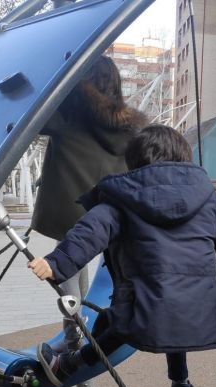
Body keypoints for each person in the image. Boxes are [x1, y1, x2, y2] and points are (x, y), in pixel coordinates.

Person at [29, 125, 216, 387]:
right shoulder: (206, 200)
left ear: (135, 161)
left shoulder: (122, 197)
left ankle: (69, 364)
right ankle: (180, 386)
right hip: (197, 311)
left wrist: (56, 263)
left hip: (141, 309)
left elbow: (90, 231)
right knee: (175, 310)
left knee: (116, 327)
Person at [31, 55, 147, 352]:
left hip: (69, 207)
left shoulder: (69, 114)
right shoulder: (129, 127)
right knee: (85, 263)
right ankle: (100, 324)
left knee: (65, 264)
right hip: (108, 212)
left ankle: (74, 335)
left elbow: (32, 118)